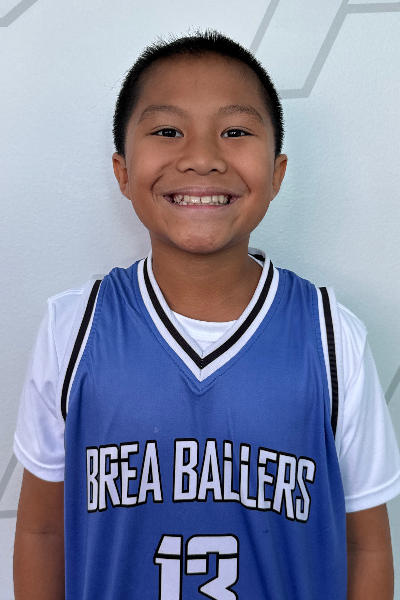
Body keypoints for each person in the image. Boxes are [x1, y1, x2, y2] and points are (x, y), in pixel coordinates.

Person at [13, 30, 400, 600]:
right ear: (122, 171)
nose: (201, 158)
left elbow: (366, 547)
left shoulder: (331, 336)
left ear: (277, 172)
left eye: (235, 132)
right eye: (167, 131)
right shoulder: (74, 329)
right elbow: (43, 531)